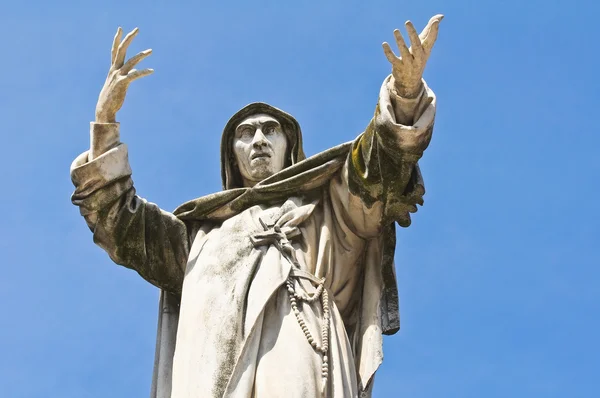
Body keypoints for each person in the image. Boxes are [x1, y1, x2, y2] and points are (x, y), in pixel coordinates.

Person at [70, 15, 443, 398]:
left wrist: (404, 94)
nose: (259, 140)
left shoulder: (326, 205)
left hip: (299, 347)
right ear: (232, 157)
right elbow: (120, 223)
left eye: (271, 129)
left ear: (290, 146)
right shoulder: (198, 235)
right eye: (246, 134)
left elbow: (374, 174)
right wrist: (104, 124)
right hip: (211, 365)